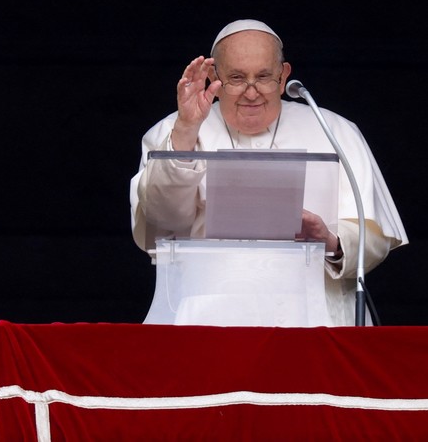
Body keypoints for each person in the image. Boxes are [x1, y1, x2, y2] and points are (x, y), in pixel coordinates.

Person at [130, 19, 407, 326]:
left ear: (283, 75)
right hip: (204, 317)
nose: (252, 93)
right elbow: (161, 223)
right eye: (236, 78)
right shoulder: (175, 129)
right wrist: (186, 130)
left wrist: (332, 241)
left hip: (313, 317)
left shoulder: (333, 130)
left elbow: (374, 236)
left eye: (263, 77)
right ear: (213, 77)